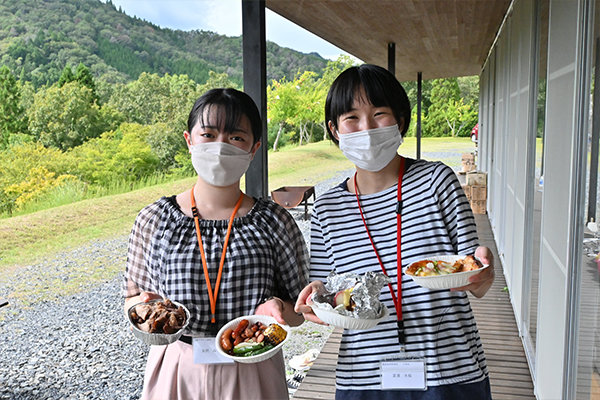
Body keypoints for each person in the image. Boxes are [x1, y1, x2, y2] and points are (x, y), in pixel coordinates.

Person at [295, 64, 495, 400]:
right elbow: (327, 292)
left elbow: (471, 272)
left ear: (400, 121)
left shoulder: (437, 182)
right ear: (334, 129)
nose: (367, 128)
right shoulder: (328, 208)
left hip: (449, 370)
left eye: (379, 114)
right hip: (364, 379)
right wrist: (314, 297)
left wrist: (484, 276)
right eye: (352, 118)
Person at [123, 88, 309, 400]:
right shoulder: (153, 219)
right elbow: (131, 300)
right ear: (189, 140)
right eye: (208, 134)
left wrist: (279, 310)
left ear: (255, 148)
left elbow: (299, 311)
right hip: (177, 367)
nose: (221, 146)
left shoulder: (275, 221)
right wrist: (145, 306)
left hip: (254, 365)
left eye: (236, 138)